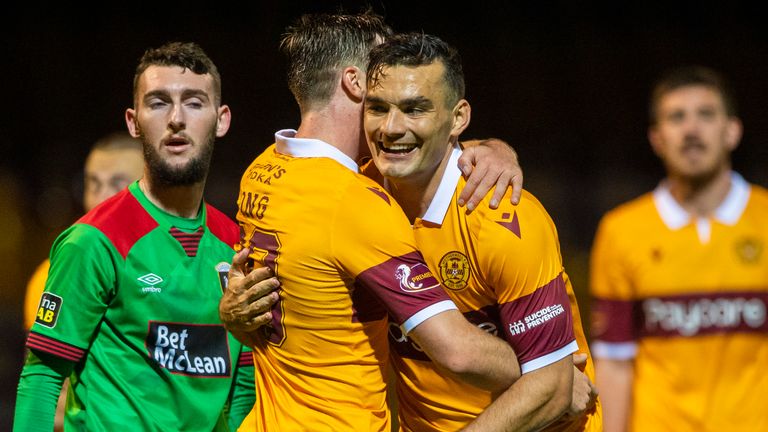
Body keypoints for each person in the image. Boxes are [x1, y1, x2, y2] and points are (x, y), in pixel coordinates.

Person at [222, 13, 531, 432]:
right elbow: (457, 351)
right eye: (383, 66)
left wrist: (492, 147)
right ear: (355, 82)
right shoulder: (354, 201)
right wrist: (547, 373)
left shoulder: (262, 169)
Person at [14, 41, 264, 432]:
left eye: (195, 102)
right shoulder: (93, 241)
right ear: (133, 121)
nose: (177, 119)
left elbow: (246, 381)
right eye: (159, 102)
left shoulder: (237, 243)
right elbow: (43, 378)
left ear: (222, 119)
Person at [361, 32, 601, 432]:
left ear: (458, 118)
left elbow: (553, 388)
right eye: (378, 108)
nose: (391, 127)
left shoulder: (504, 218)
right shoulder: (357, 197)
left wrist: (553, 381)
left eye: (415, 109)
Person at [589, 65, 768, 432]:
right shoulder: (620, 230)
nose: (691, 130)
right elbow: (615, 363)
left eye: (705, 114)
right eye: (676, 118)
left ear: (732, 131)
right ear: (657, 138)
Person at [21, 131, 144, 432]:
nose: (100, 198)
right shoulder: (51, 275)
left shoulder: (189, 266)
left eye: (117, 184)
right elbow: (47, 385)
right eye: (93, 183)